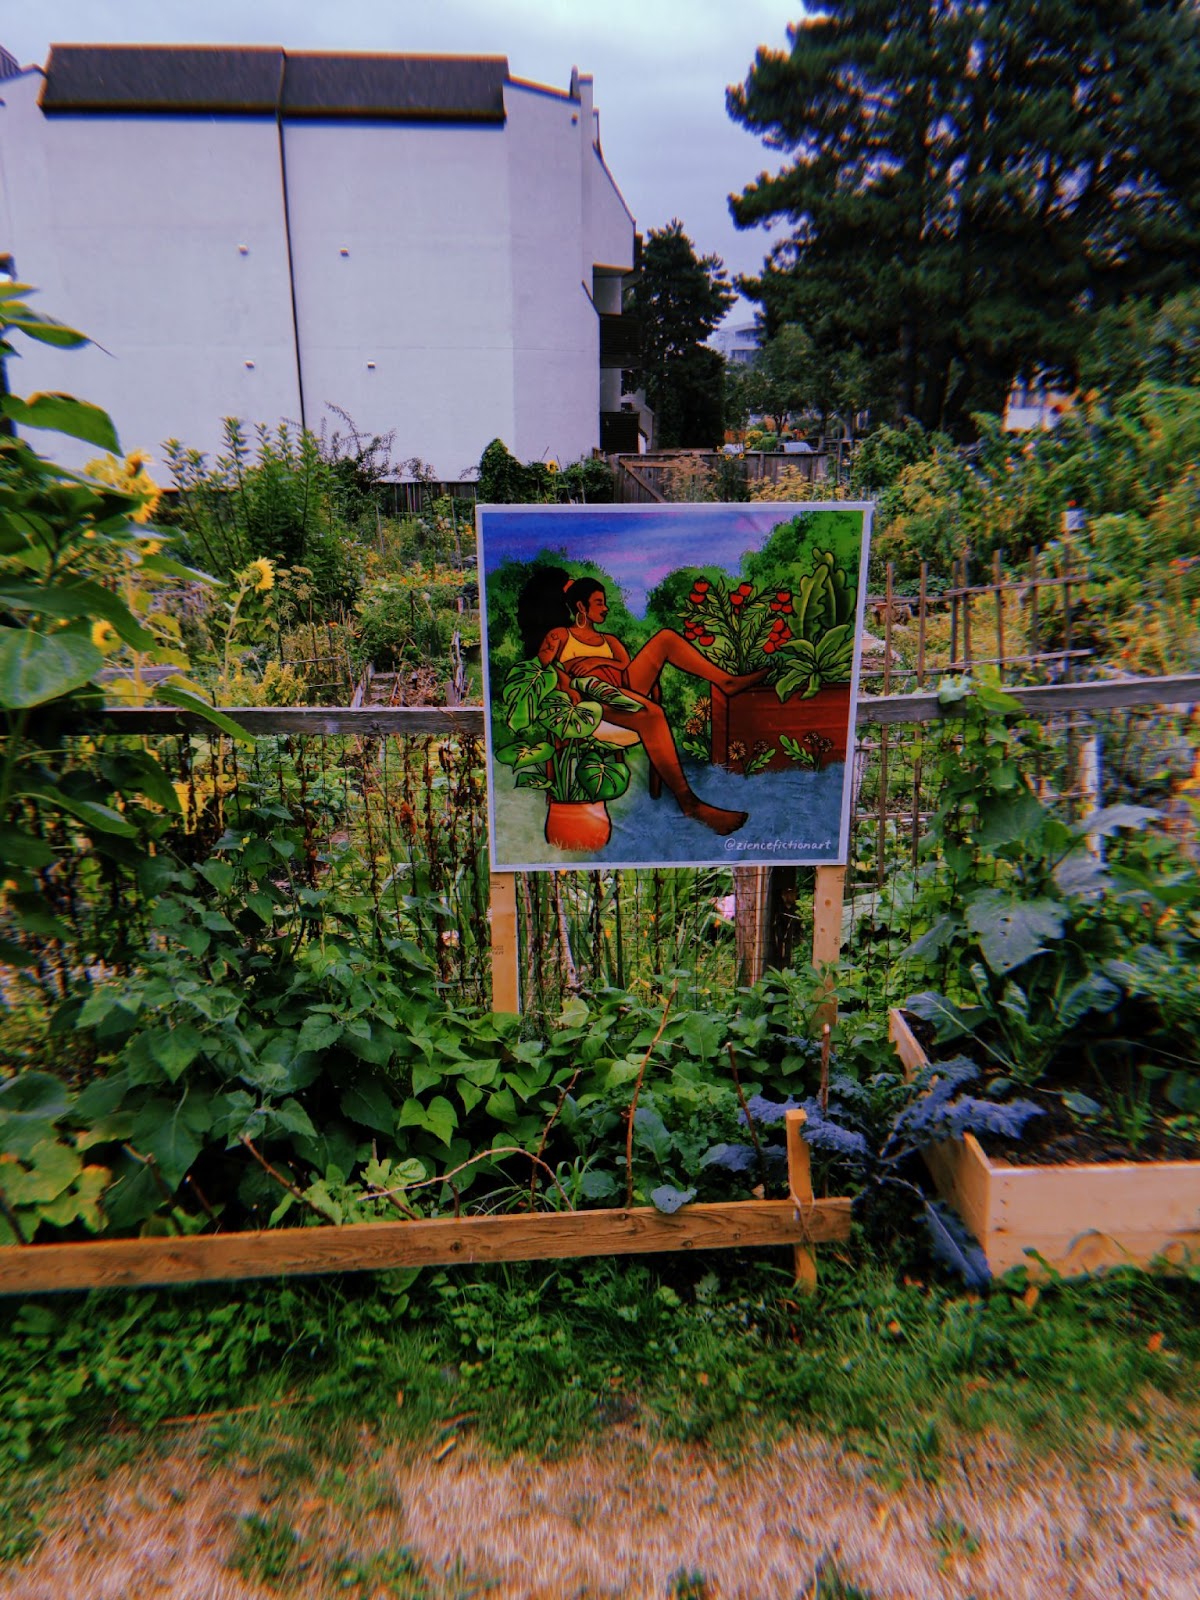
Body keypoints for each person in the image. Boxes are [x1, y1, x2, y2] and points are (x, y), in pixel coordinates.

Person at [515, 567, 765, 836]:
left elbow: (623, 663)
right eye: (599, 603)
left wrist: (595, 660)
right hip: (593, 702)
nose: (606, 608)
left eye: (605, 602)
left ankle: (725, 682)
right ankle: (690, 804)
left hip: (621, 687)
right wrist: (568, 682)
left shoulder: (608, 639)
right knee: (652, 714)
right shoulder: (560, 636)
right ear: (581, 606)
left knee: (666, 638)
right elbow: (541, 669)